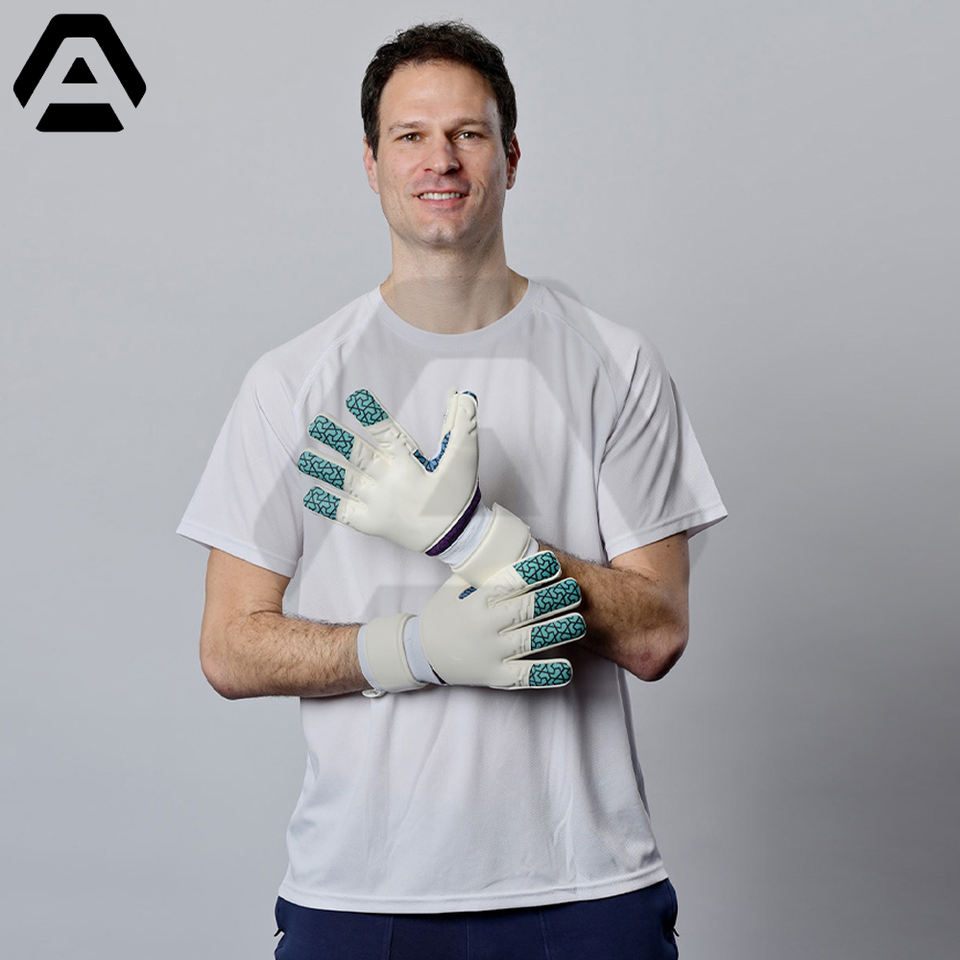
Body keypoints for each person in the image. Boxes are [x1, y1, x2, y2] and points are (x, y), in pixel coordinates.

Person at [177, 20, 726, 960]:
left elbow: (656, 634)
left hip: (584, 886)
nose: (441, 159)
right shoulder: (293, 381)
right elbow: (229, 648)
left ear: (511, 156)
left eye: (468, 133)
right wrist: (415, 649)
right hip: (359, 890)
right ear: (371, 162)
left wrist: (474, 536)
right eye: (411, 135)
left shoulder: (613, 363)